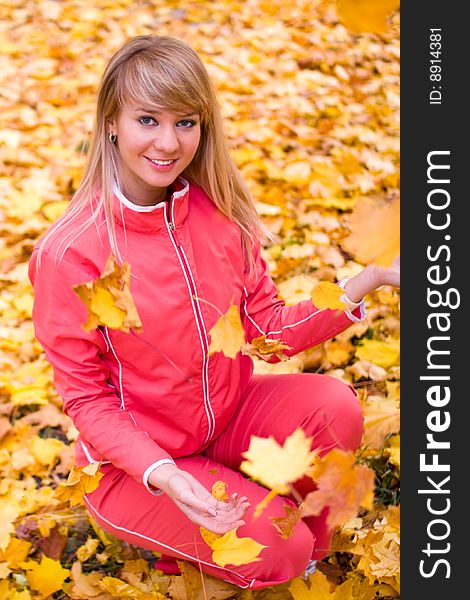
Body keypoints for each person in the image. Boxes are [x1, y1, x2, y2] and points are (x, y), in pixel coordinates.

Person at [28, 35, 400, 590]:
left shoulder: (218, 215)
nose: (168, 142)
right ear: (110, 121)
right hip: (136, 468)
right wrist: (164, 473)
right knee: (271, 545)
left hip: (224, 423)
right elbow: (85, 397)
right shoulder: (70, 253)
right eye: (148, 119)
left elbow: (267, 330)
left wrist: (367, 280)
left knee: (333, 406)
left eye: (186, 122)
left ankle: (306, 555)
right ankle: (232, 542)